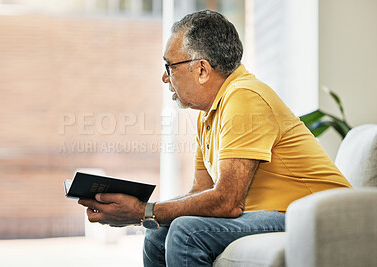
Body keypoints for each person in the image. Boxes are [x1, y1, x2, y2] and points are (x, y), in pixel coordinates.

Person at [78, 10, 352, 266]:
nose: (165, 77)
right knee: (157, 234)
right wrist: (144, 211)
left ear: (202, 69)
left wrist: (143, 211)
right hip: (280, 213)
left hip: (318, 215)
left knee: (186, 232)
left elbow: (227, 201)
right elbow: (201, 193)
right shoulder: (208, 114)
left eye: (169, 65)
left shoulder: (245, 97)